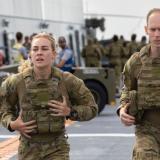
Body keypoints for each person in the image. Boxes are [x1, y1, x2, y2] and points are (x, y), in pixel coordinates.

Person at [0, 32, 98, 160]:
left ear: (53, 54)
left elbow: (92, 108)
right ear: (30, 54)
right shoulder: (17, 82)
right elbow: (3, 108)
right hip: (28, 148)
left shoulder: (67, 80)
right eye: (35, 49)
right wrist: (12, 124)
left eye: (44, 49)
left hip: (57, 148)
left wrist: (70, 111)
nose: (39, 53)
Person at [117, 8, 160, 159]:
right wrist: (122, 110)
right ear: (146, 30)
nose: (157, 34)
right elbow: (127, 90)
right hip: (147, 129)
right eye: (153, 29)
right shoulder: (136, 62)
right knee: (144, 155)